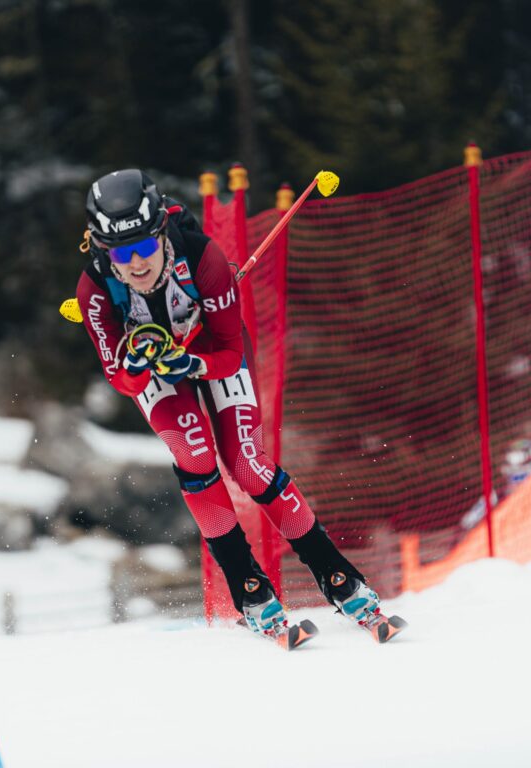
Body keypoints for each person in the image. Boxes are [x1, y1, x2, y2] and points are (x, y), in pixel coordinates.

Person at [76, 169, 402, 646]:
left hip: (211, 353)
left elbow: (229, 350)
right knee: (194, 454)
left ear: (161, 234)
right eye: (121, 254)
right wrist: (141, 365)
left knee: (247, 465)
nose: (136, 264)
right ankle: (251, 593)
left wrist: (190, 361)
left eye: (145, 247)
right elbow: (119, 379)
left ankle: (339, 577)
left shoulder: (204, 258)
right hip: (158, 372)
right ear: (105, 252)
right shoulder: (96, 293)